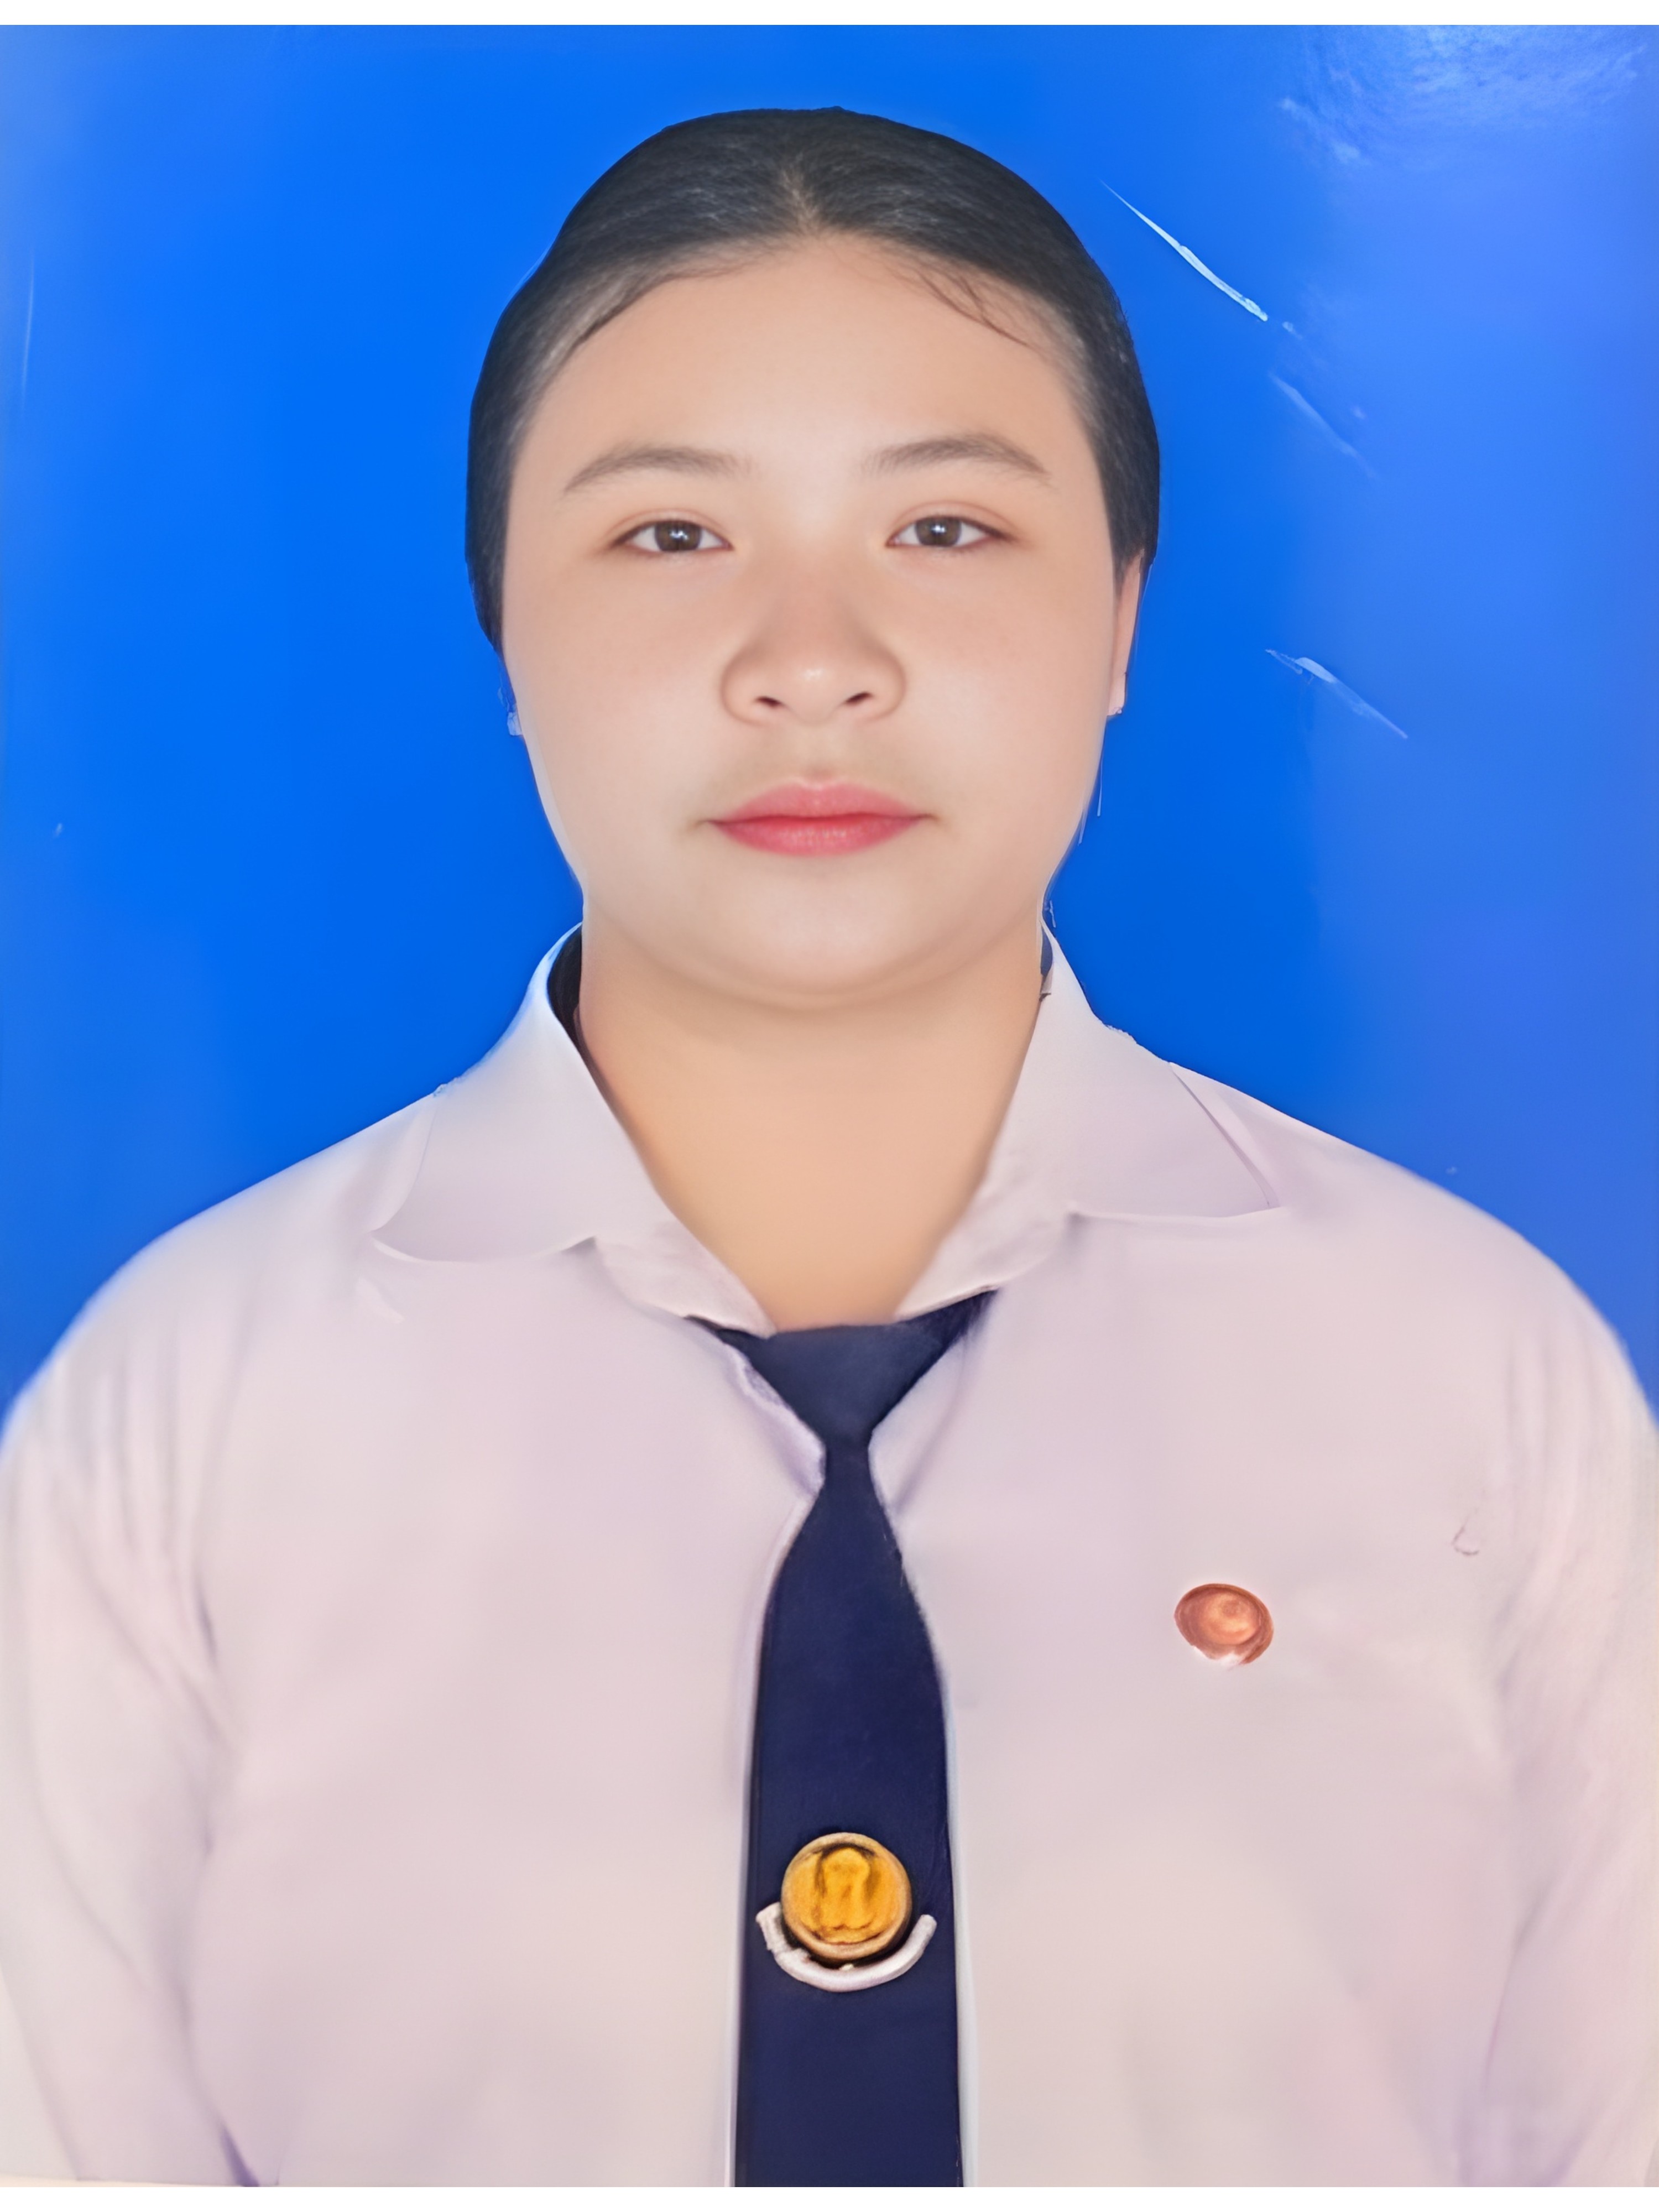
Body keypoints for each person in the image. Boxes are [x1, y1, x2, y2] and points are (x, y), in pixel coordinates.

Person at [0, 106, 1653, 2187]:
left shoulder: (1472, 1374)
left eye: (944, 529)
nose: (811, 665)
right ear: (505, 630)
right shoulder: (184, 1415)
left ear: (1122, 616)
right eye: (670, 536)